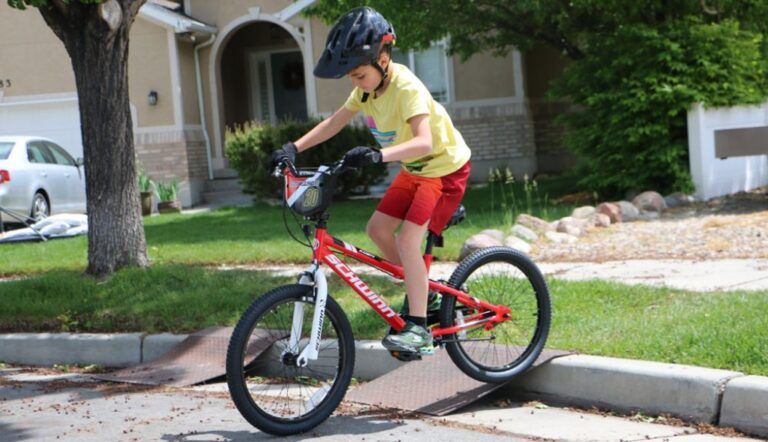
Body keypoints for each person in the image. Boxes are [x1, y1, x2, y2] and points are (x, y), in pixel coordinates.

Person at [271, 6, 471, 355]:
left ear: (382, 60)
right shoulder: (366, 90)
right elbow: (335, 122)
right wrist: (293, 147)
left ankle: (419, 329)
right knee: (377, 230)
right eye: (350, 75)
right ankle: (423, 289)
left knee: (408, 241)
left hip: (443, 171)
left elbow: (424, 141)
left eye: (359, 74)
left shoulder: (407, 87)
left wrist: (377, 156)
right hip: (414, 170)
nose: (354, 81)